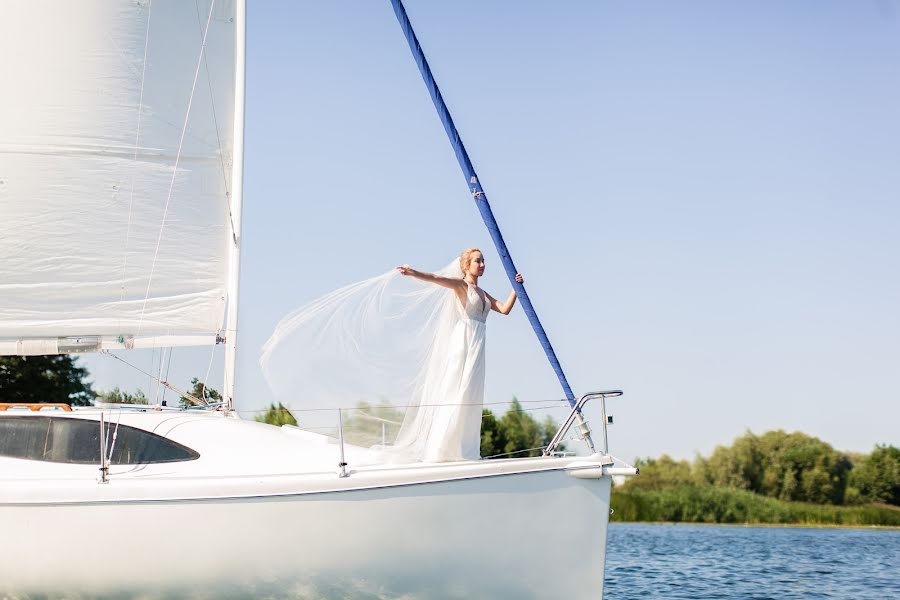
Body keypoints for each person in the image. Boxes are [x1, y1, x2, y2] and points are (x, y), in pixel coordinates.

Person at [394, 248, 523, 461]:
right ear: (466, 265)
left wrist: (516, 289)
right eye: (477, 261)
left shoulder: (483, 293)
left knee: (471, 393)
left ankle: (463, 449)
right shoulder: (461, 285)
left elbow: (504, 308)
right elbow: (436, 278)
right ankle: (441, 450)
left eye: (483, 261)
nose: (482, 265)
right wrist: (413, 272)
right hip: (464, 341)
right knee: (457, 391)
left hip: (478, 345)